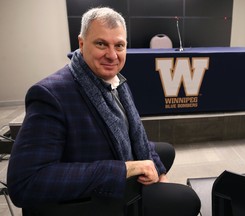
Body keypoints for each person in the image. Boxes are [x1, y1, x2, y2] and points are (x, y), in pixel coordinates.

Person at [7, 7, 200, 216]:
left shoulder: (117, 82)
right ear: (81, 44)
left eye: (119, 45)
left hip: (113, 166)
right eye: (101, 44)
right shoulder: (50, 95)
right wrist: (126, 169)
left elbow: (136, 134)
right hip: (98, 200)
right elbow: (25, 183)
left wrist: (160, 174)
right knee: (187, 199)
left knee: (165, 151)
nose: (112, 55)